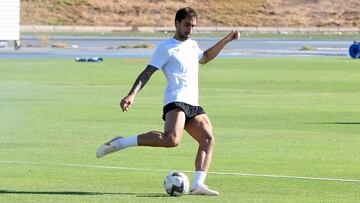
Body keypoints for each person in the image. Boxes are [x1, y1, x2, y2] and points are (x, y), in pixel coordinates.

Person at [96, 7, 240, 196]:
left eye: (193, 26)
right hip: (176, 100)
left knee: (208, 139)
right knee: (172, 140)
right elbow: (147, 73)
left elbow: (204, 58)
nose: (190, 29)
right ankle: (121, 142)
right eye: (187, 25)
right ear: (177, 23)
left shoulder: (192, 45)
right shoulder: (165, 47)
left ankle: (198, 185)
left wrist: (227, 39)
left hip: (193, 103)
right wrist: (131, 94)